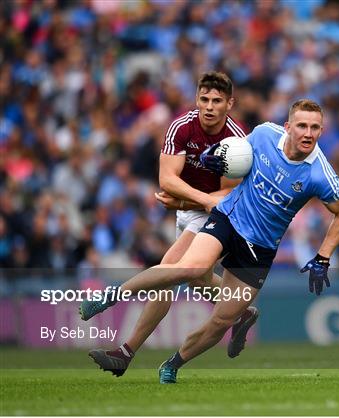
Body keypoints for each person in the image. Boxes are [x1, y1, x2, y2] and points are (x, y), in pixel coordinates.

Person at [80, 99, 339, 384]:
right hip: (229, 219)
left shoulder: (319, 173)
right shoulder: (264, 135)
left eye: (315, 128)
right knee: (191, 269)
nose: (308, 133)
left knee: (221, 321)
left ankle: (173, 363)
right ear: (288, 127)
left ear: (321, 131)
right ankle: (110, 296)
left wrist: (322, 257)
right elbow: (233, 159)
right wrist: (214, 157)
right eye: (301, 126)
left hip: (259, 249)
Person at [85, 71, 258, 377]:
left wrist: (188, 200)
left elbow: (228, 194)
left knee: (169, 271)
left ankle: (124, 350)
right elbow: (167, 180)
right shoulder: (181, 127)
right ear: (196, 98)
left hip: (222, 211)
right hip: (196, 206)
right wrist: (195, 201)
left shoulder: (236, 139)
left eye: (217, 101)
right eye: (204, 99)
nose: (209, 106)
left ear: (229, 103)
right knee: (196, 279)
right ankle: (242, 311)